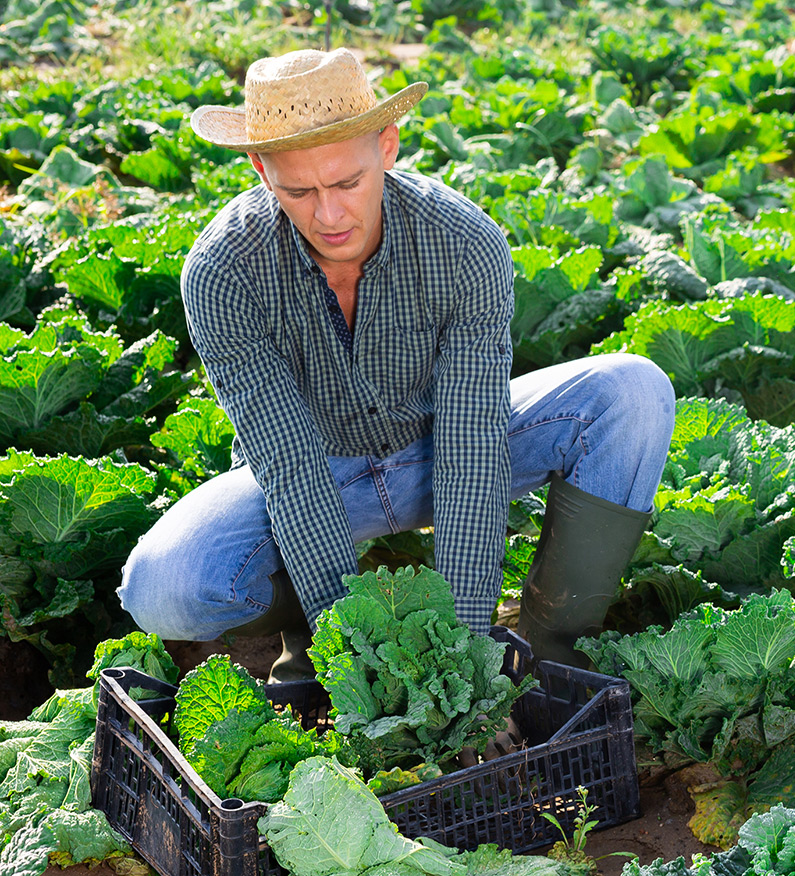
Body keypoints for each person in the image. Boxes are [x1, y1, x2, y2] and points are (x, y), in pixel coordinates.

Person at [118, 48, 674, 680]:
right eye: (299, 190)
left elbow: (472, 443)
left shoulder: (463, 242)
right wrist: (350, 660)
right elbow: (290, 463)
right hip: (323, 471)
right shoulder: (224, 270)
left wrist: (462, 657)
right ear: (260, 169)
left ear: (387, 145)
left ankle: (549, 656)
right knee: (164, 587)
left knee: (633, 392)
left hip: (436, 447)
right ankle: (307, 632)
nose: (328, 215)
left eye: (347, 183)